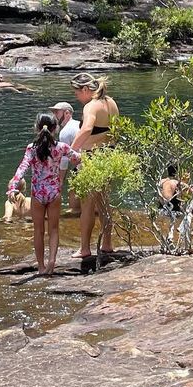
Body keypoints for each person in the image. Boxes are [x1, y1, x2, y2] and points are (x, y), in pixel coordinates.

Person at [8, 111, 79, 276]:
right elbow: (76, 158)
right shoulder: (61, 147)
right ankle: (52, 261)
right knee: (53, 229)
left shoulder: (32, 149)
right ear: (55, 129)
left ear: (36, 128)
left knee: (38, 230)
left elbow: (22, 168)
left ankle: (40, 267)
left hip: (38, 194)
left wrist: (13, 187)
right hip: (54, 192)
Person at [70, 73, 119, 271]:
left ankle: (84, 249)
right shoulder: (111, 102)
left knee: (87, 205)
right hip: (109, 155)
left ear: (85, 90)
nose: (76, 97)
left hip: (91, 157)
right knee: (104, 202)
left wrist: (71, 150)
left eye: (76, 93)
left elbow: (87, 128)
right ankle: (107, 244)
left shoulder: (91, 106)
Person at [51, 100, 81, 215]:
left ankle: (74, 211)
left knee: (72, 187)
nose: (55, 116)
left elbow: (64, 161)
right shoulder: (78, 124)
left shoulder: (65, 132)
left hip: (81, 163)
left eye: (57, 112)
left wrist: (60, 181)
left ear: (67, 113)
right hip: (90, 159)